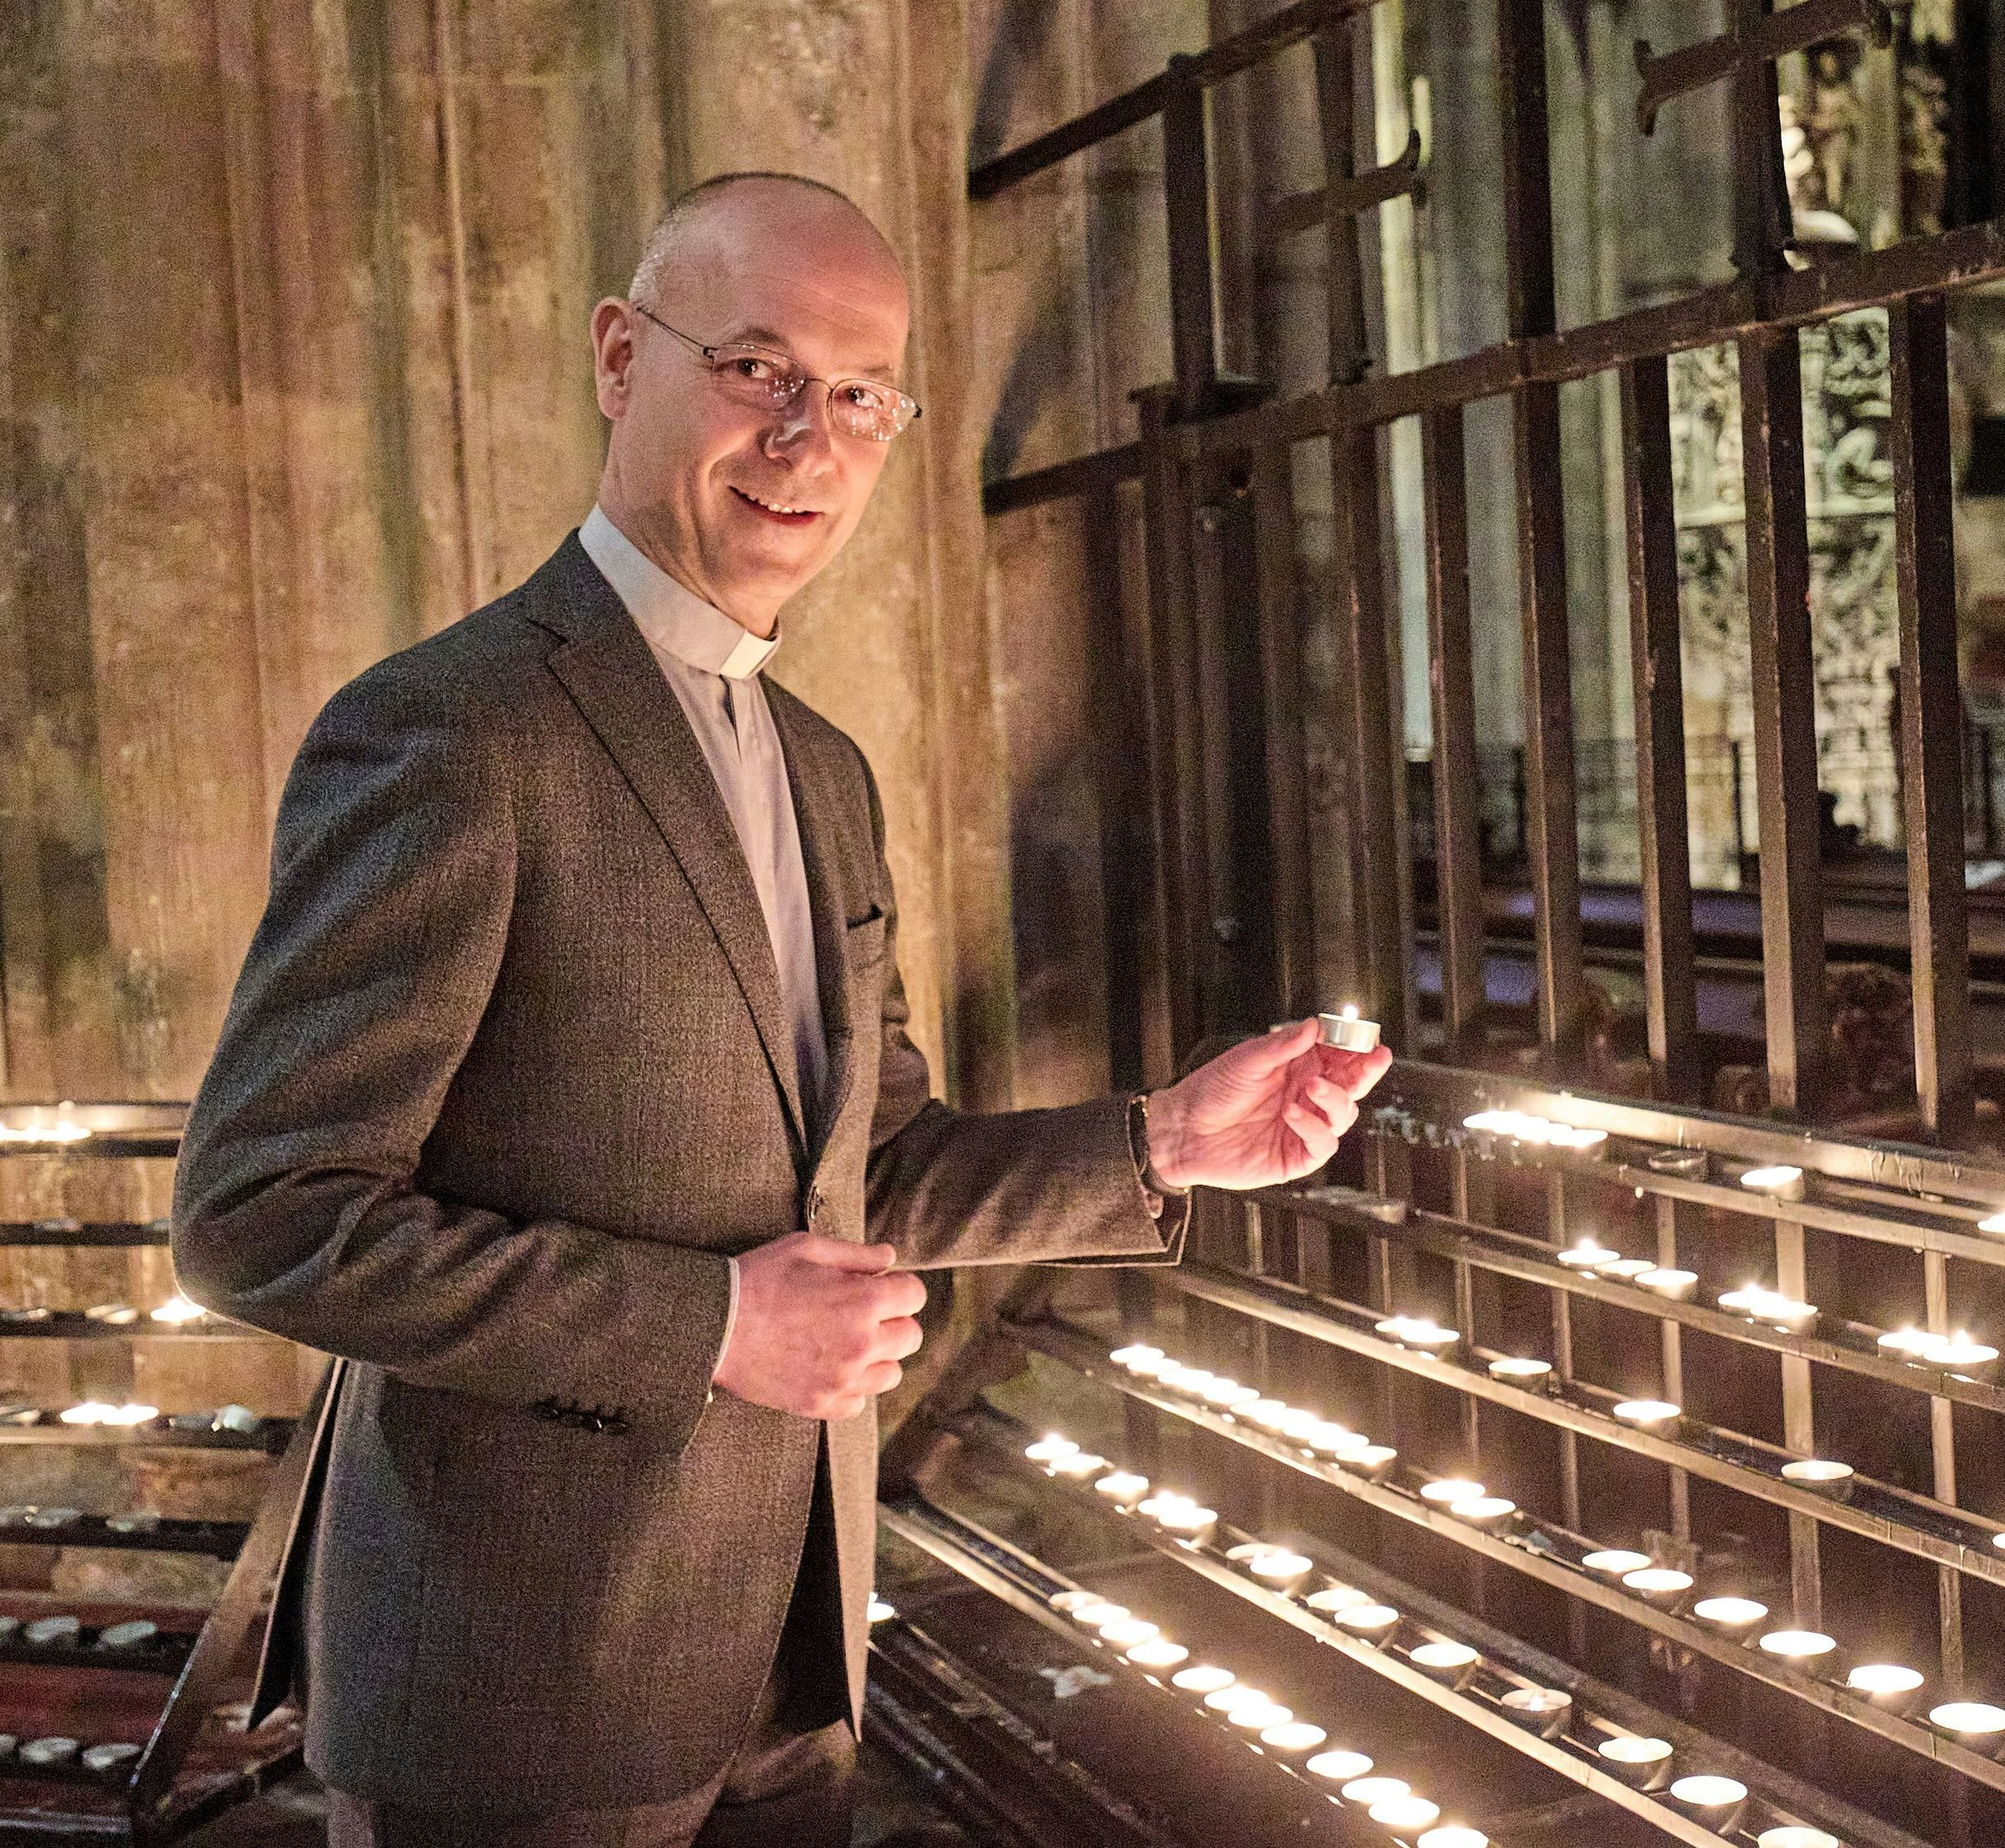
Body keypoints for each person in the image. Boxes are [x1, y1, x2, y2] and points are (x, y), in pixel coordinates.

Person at [170, 171, 1388, 1847]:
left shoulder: (821, 770)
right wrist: (713, 1328)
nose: (806, 436)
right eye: (752, 368)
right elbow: (262, 1217)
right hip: (517, 1690)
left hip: (789, 1655)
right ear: (619, 354)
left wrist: (1162, 1140)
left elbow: (865, 1174)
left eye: (858, 394)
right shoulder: (452, 732)